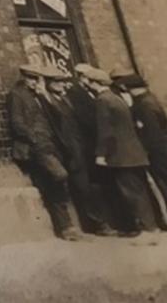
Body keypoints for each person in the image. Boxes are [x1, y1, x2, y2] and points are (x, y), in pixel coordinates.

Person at [79, 66, 160, 239]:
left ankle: (147, 231)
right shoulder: (116, 98)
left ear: (95, 83)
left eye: (89, 81)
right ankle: (152, 227)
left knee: (131, 193)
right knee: (141, 191)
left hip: (121, 156)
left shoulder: (102, 100)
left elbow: (105, 130)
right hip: (135, 154)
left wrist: (101, 155)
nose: (87, 84)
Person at [9, 63, 84, 241]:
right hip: (37, 147)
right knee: (60, 175)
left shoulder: (39, 95)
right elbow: (17, 122)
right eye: (32, 78)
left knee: (54, 183)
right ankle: (66, 226)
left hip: (52, 144)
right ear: (25, 78)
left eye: (37, 79)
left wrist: (44, 96)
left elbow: (57, 116)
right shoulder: (17, 95)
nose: (35, 82)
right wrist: (34, 138)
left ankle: (66, 228)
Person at [43, 74, 117, 236]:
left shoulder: (66, 99)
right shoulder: (47, 101)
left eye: (62, 81)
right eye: (57, 82)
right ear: (49, 83)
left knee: (93, 187)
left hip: (83, 149)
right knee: (83, 187)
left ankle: (102, 222)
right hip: (71, 152)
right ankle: (98, 224)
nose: (62, 84)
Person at [117, 72, 167, 205]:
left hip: (158, 152)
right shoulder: (150, 99)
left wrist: (146, 151)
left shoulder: (144, 105)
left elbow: (151, 133)